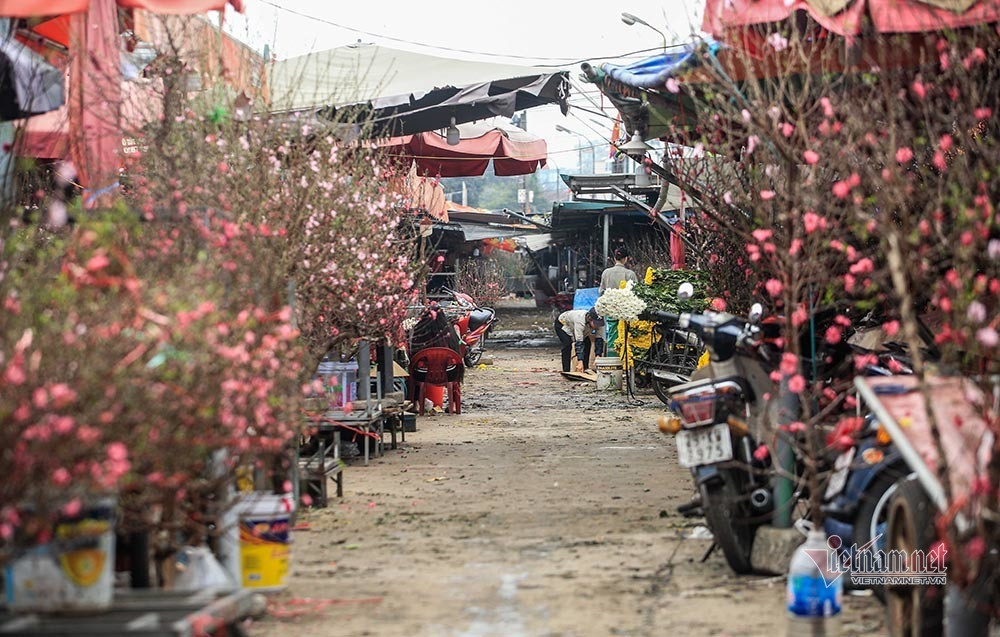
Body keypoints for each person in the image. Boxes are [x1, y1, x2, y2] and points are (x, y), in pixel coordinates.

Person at [598, 247, 638, 349]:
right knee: (625, 333)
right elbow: (636, 293)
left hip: (611, 309)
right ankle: (625, 356)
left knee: (612, 332)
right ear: (626, 259)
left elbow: (601, 291)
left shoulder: (606, 273)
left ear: (614, 258)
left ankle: (612, 354)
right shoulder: (630, 274)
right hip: (626, 310)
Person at [555, 307, 605, 372]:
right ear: (589, 318)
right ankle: (566, 370)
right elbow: (579, 342)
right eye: (595, 323)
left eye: (599, 323)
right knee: (567, 344)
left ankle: (585, 367)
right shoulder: (580, 320)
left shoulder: (599, 324)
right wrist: (580, 361)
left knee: (587, 343)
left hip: (579, 327)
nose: (597, 325)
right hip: (563, 324)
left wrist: (598, 356)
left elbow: (599, 339)